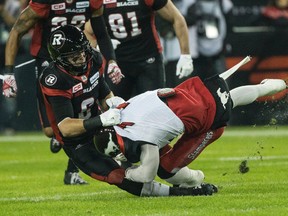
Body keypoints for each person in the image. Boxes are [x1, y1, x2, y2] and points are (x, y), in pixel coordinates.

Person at [39, 24, 217, 197]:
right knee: (119, 176)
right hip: (78, 141)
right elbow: (66, 128)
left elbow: (102, 91)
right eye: (74, 56)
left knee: (152, 144)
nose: (81, 58)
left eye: (82, 52)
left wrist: (112, 103)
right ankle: (179, 192)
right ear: (60, 59)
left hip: (102, 126)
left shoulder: (92, 58)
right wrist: (101, 120)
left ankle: (189, 179)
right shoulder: (55, 79)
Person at [1, 0, 124, 184]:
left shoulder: (92, 2)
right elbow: (18, 29)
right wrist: (8, 72)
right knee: (51, 130)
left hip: (81, 57)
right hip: (49, 62)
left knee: (83, 116)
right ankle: (62, 135)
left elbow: (101, 31)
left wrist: (112, 60)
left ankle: (75, 166)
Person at [94, 73, 287, 185]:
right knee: (230, 99)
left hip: (205, 121)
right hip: (190, 93)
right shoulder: (118, 110)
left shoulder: (142, 139)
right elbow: (116, 103)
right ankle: (275, 85)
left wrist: (125, 173)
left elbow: (147, 175)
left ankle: (196, 180)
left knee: (166, 169)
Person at [99, 0, 193, 100]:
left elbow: (176, 17)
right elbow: (88, 30)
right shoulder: (100, 2)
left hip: (148, 59)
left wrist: (185, 55)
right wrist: (100, 45)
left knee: (153, 105)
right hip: (116, 62)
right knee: (115, 109)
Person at [160, 0, 233, 87]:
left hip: (217, 50)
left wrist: (226, 43)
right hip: (197, 53)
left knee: (221, 84)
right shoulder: (193, 3)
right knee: (195, 86)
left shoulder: (223, 3)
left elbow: (230, 24)